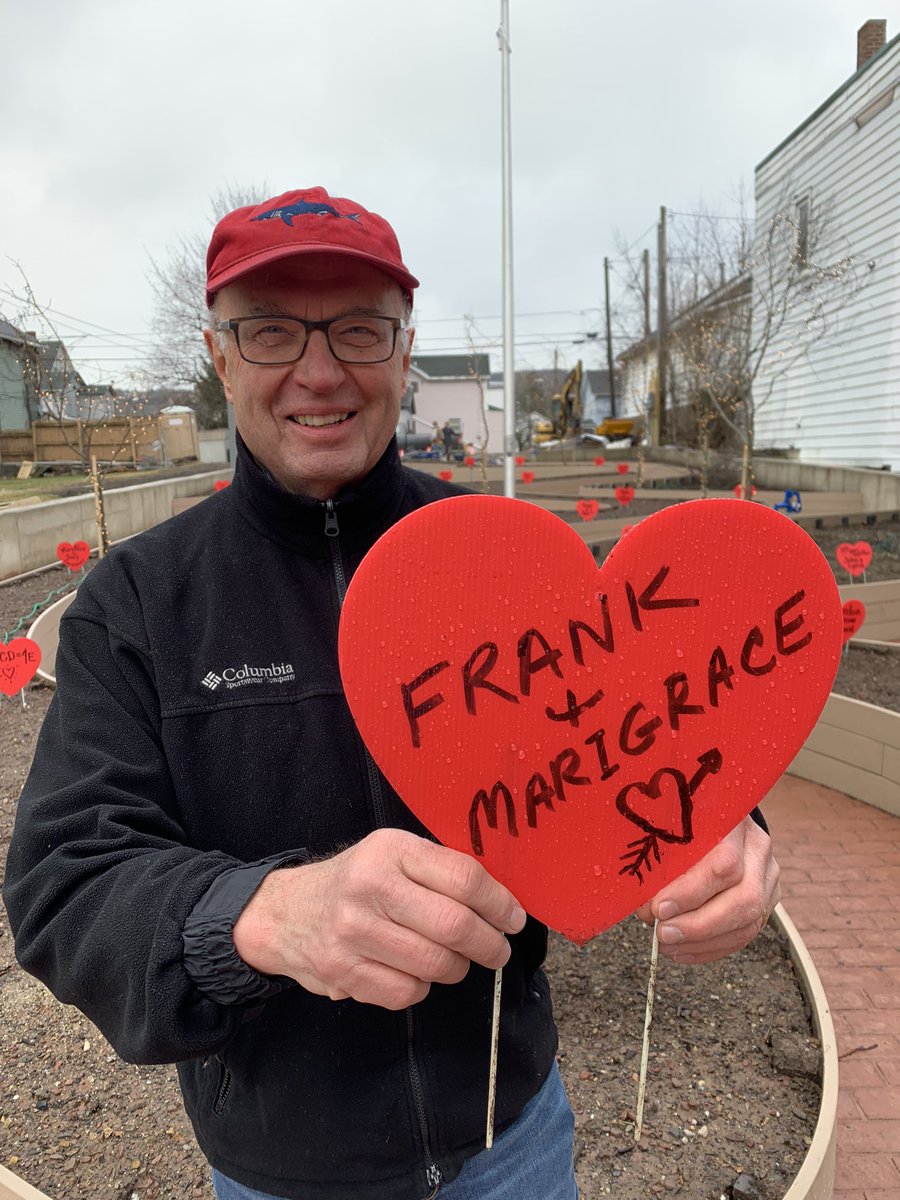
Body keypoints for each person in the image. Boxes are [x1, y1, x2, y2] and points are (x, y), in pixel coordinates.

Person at [3, 187, 780, 1200]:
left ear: (405, 353)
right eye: (273, 331)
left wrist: (725, 829)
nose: (319, 372)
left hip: (515, 1139)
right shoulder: (140, 602)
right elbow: (63, 883)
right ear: (219, 354)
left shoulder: (505, 561)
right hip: (282, 1170)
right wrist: (261, 913)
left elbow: (643, 724)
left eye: (360, 330)